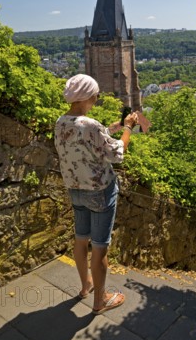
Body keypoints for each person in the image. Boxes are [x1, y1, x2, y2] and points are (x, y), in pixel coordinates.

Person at [54, 73, 138, 314]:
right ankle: (100, 302)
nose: (97, 98)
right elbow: (117, 153)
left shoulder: (61, 121)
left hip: (75, 189)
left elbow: (85, 142)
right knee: (100, 247)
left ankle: (85, 287)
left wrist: (112, 127)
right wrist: (128, 128)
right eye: (95, 95)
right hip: (100, 191)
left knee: (81, 239)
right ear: (87, 96)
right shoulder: (90, 126)